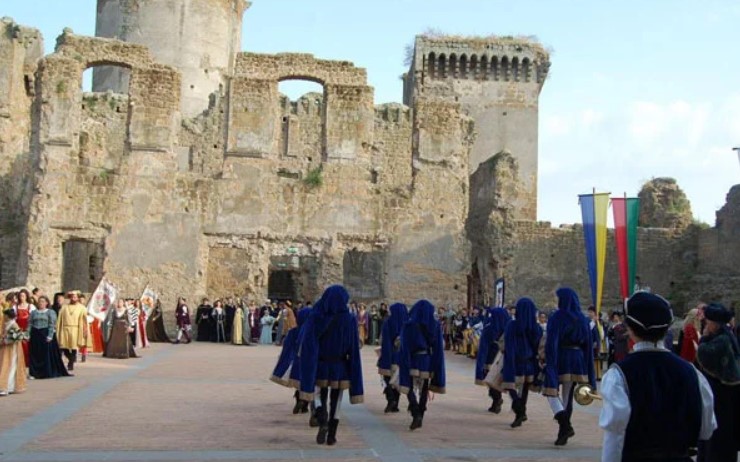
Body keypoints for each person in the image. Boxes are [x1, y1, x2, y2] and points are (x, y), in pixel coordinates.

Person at [599, 292, 717, 462]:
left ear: (630, 329)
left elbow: (615, 435)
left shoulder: (619, 374)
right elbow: (706, 428)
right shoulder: (691, 372)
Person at [298, 285, 363, 446]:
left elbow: (308, 343)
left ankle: (322, 419)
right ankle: (332, 435)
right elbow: (353, 348)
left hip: (320, 363)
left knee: (319, 393)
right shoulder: (349, 320)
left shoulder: (316, 317)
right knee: (337, 399)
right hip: (339, 364)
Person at [543, 287, 596, 446]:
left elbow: (552, 342)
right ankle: (563, 431)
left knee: (550, 392)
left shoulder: (557, 317)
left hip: (561, 357)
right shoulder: (583, 319)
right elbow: (588, 345)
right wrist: (589, 371)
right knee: (567, 396)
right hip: (578, 358)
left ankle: (564, 425)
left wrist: (549, 361)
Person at [695, 303, 740, 462]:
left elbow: (704, 353)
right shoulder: (726, 335)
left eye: (707, 322)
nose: (706, 325)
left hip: (722, 396)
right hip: (723, 395)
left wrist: (704, 337)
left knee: (718, 442)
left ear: (714, 323)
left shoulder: (721, 340)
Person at [398, 299, 446, 431]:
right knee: (424, 387)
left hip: (413, 358)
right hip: (426, 359)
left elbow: (404, 346)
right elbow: (438, 347)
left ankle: (415, 410)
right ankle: (421, 412)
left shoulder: (408, 325)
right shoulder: (435, 325)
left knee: (408, 385)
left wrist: (404, 361)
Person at [501, 298, 543, 428]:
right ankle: (521, 410)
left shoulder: (512, 325)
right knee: (524, 388)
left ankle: (518, 408)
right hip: (529, 362)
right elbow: (537, 345)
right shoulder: (536, 327)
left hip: (514, 360)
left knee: (510, 385)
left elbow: (506, 343)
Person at [270, 307, 312, 413]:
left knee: (298, 382)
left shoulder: (293, 332)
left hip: (295, 361)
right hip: (307, 361)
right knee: (307, 383)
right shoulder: (311, 333)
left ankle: (298, 399)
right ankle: (304, 403)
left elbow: (287, 347)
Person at [474, 306, 510, 414]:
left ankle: (496, 400)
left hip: (491, 357)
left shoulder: (489, 328)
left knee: (490, 380)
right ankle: (497, 400)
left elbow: (483, 348)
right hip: (504, 357)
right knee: (497, 380)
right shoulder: (509, 327)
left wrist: (480, 365)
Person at [28, 296, 70, 379]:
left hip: (45, 333)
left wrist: (50, 336)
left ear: (47, 303)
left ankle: (45, 372)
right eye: (40, 301)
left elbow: (52, 324)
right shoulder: (33, 312)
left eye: (43, 301)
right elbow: (30, 324)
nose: (41, 303)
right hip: (36, 334)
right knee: (35, 354)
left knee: (45, 354)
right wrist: (27, 334)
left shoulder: (50, 312)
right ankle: (34, 373)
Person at [377, 303, 409, 413]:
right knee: (397, 380)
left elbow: (384, 341)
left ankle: (391, 399)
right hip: (403, 356)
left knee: (388, 378)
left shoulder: (388, 322)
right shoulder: (408, 323)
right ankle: (395, 404)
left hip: (391, 354)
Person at [56, 290, 89, 371]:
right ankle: (71, 359)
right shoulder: (64, 307)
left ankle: (71, 363)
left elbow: (84, 320)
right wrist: (58, 328)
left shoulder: (82, 308)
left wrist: (85, 329)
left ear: (77, 298)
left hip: (75, 329)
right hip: (65, 329)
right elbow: (60, 319)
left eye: (75, 297)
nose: (73, 298)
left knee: (74, 347)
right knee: (64, 347)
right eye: (72, 297)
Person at [0, 309, 27, 396]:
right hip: (5, 349)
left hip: (13, 349)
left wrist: (6, 341)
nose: (4, 317)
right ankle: (8, 386)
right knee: (6, 366)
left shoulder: (13, 324)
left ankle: (6, 387)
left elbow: (17, 337)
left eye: (5, 315)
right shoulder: (6, 324)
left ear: (8, 316)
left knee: (10, 366)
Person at [13, 289, 35, 376]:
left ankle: (29, 370)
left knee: (28, 350)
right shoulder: (15, 307)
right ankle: (19, 370)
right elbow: (13, 319)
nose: (22, 298)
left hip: (28, 330)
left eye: (24, 296)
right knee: (19, 351)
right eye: (20, 296)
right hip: (18, 330)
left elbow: (33, 319)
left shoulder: (31, 306)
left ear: (26, 296)